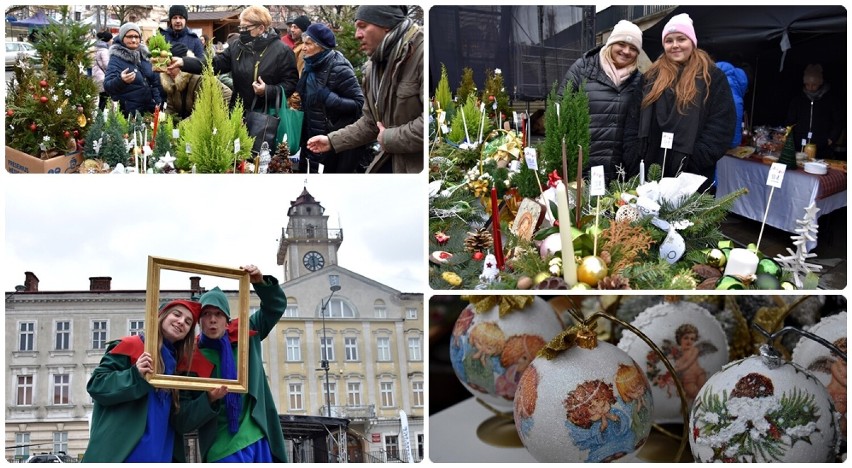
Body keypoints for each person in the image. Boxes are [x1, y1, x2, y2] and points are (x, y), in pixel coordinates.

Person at [179, 264, 288, 463]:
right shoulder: (189, 359)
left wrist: (260, 283)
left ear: (227, 319)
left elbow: (275, 307)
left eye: (218, 314)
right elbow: (184, 419)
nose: (212, 320)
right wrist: (208, 399)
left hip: (257, 435)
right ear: (198, 321)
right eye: (206, 314)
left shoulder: (247, 333)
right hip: (221, 446)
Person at [83, 299, 207, 462]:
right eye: (176, 314)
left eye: (188, 322)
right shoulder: (130, 345)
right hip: (124, 454)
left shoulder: (177, 366)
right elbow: (97, 385)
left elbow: (180, 420)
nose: (181, 322)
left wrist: (210, 399)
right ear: (162, 316)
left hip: (160, 455)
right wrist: (135, 375)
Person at [624, 13, 735, 193]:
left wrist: (693, 162)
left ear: (692, 41)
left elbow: (721, 127)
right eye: (669, 41)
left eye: (681, 39)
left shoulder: (712, 78)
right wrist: (634, 157)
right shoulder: (650, 78)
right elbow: (632, 121)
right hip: (647, 176)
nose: (675, 45)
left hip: (691, 179)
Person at [306, 6, 424, 173]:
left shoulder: (421, 54)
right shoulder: (373, 67)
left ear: (386, 24)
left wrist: (389, 138)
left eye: (362, 26)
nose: (357, 35)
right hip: (390, 162)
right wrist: (332, 141)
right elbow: (370, 123)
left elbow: (431, 123)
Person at [168, 6, 297, 118]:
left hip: (267, 115)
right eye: (240, 27)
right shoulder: (237, 46)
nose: (241, 31)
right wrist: (183, 63)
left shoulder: (282, 51)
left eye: (245, 27)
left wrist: (268, 90)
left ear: (261, 28)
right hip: (238, 113)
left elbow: (291, 84)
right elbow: (214, 64)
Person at [560, 20, 644, 182]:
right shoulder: (583, 68)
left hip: (618, 171)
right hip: (581, 165)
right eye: (621, 44)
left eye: (633, 48)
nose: (626, 51)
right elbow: (560, 109)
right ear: (611, 43)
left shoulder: (639, 81)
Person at [296, 23, 366, 173]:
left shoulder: (339, 68)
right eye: (304, 43)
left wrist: (328, 97)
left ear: (321, 46)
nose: (303, 47)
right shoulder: (310, 65)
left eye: (308, 44)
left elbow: (359, 103)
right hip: (308, 137)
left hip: (328, 141)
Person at [104, 22, 164, 117]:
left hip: (151, 111)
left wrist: (158, 103)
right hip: (130, 114)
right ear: (122, 37)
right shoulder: (116, 59)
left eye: (136, 37)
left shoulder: (146, 57)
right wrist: (121, 80)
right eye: (129, 36)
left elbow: (155, 82)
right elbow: (108, 86)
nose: (133, 40)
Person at [159, 43, 232, 120]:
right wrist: (162, 121)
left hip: (225, 114)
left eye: (172, 66)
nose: (168, 71)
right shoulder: (172, 82)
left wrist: (179, 128)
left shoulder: (201, 79)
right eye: (166, 67)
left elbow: (201, 114)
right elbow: (171, 109)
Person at [786, 63, 843, 159]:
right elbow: (790, 121)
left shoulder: (830, 100)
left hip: (822, 147)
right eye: (807, 84)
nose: (810, 87)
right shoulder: (798, 100)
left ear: (820, 83)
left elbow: (838, 121)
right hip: (799, 145)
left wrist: (831, 139)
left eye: (814, 85)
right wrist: (790, 138)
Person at [716, 60, 749, 148]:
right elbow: (736, 123)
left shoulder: (710, 89)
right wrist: (734, 144)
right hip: (719, 146)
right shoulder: (736, 100)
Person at [92, 30, 113, 111]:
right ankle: (101, 117)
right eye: (111, 39)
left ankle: (100, 115)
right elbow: (107, 65)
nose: (112, 41)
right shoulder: (104, 51)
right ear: (107, 40)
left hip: (97, 76)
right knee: (104, 99)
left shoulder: (97, 48)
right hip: (102, 77)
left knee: (102, 99)